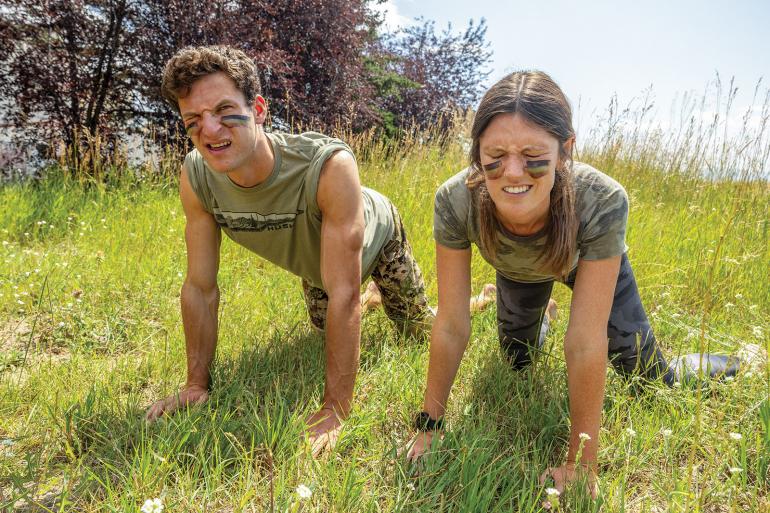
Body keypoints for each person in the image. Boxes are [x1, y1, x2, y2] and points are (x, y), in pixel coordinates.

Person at [404, 70, 753, 496]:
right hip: (519, 272)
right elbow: (452, 323)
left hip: (585, 262)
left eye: (533, 154)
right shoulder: (454, 200)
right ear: (477, 153)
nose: (512, 173)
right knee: (518, 361)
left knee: (651, 377)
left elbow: (586, 341)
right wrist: (430, 425)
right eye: (494, 154)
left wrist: (581, 465)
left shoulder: (602, 199)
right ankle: (541, 315)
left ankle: (738, 361)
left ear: (565, 150)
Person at [144, 45, 436, 455]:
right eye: (193, 121)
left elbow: (344, 294)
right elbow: (200, 288)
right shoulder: (197, 176)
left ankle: (467, 301)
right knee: (326, 331)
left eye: (225, 110)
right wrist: (196, 385)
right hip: (319, 264)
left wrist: (335, 409)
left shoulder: (328, 165)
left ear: (259, 109)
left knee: (416, 329)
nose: (209, 131)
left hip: (375, 235)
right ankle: (373, 298)